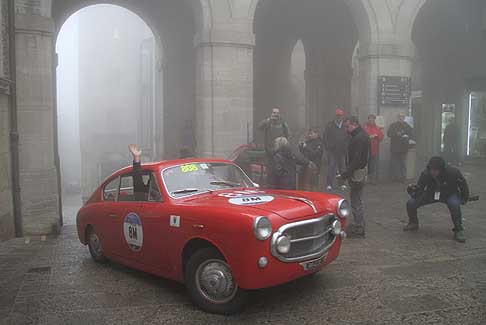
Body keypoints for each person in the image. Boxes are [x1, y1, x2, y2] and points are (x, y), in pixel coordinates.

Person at [404, 156, 469, 243]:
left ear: (441, 169)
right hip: (431, 193)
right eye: (431, 169)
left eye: (436, 170)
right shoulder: (425, 174)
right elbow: (420, 189)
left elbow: (463, 185)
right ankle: (413, 222)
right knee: (411, 203)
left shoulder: (453, 172)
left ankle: (458, 229)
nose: (433, 172)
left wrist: (464, 198)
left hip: (449, 193)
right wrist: (414, 192)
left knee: (454, 204)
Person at [339, 116, 370, 238]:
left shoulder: (359, 138)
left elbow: (356, 159)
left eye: (348, 126)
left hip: (357, 171)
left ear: (354, 124)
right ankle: (359, 223)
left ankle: (359, 226)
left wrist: (346, 173)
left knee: (356, 199)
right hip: (359, 170)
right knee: (357, 198)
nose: (346, 129)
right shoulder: (361, 135)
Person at [323, 109, 349, 191]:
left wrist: (346, 146)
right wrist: (328, 147)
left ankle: (342, 184)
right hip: (332, 151)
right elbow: (325, 137)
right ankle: (329, 184)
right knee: (331, 167)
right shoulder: (329, 126)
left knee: (342, 168)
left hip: (342, 151)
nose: (339, 117)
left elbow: (348, 138)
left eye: (340, 116)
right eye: (337, 116)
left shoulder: (345, 126)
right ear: (335, 116)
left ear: (342, 116)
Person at [387, 113, 413, 182]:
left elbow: (412, 134)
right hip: (395, 147)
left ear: (404, 118)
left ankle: (403, 178)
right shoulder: (393, 125)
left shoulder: (407, 126)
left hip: (403, 148)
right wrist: (396, 134)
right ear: (397, 118)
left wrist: (408, 136)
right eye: (400, 117)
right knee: (394, 163)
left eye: (402, 117)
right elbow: (388, 134)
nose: (401, 118)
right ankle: (394, 177)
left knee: (403, 163)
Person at [365, 114, 384, 184]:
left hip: (374, 150)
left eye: (372, 119)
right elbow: (361, 137)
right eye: (370, 119)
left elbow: (381, 137)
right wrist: (369, 137)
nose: (371, 120)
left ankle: (372, 179)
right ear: (368, 120)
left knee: (373, 165)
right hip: (366, 150)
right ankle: (365, 179)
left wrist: (377, 137)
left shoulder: (377, 128)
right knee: (365, 165)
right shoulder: (365, 128)